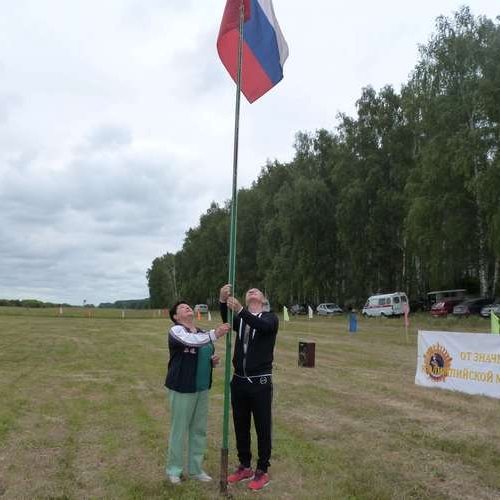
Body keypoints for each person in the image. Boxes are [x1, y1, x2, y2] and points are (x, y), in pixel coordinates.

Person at [219, 284, 279, 491]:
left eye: (256, 291)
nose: (252, 291)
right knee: (240, 425)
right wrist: (222, 301)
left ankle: (262, 469)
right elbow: (228, 319)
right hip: (239, 381)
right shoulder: (242, 319)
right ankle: (244, 466)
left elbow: (261, 327)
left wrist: (240, 310)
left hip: (260, 381)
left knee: (262, 426)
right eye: (249, 291)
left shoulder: (270, 318)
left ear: (263, 299)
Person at [164, 300, 230, 485]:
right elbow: (190, 341)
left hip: (202, 388)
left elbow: (203, 349)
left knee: (199, 430)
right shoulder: (177, 331)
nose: (187, 307)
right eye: (182, 307)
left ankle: (195, 469)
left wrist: (211, 361)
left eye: (188, 306)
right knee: (179, 430)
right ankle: (174, 470)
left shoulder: (201, 332)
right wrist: (215, 333)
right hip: (182, 387)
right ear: (176, 316)